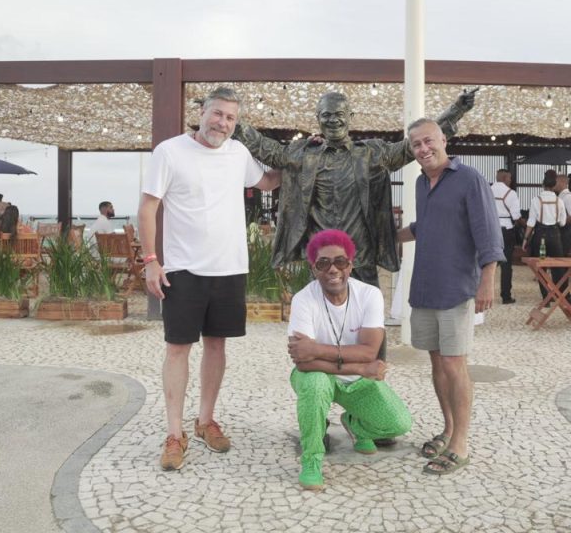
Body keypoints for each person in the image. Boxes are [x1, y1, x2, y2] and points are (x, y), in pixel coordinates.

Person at [139, 87, 281, 472]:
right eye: (217, 114)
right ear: (202, 111)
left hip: (229, 267)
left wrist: (300, 157)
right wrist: (151, 261)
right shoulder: (170, 151)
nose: (222, 123)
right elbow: (148, 207)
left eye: (230, 118)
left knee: (217, 346)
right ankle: (174, 433)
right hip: (183, 269)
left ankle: (205, 421)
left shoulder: (238, 153)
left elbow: (268, 182)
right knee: (177, 348)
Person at [233, 89, 477, 288]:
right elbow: (267, 149)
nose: (333, 120)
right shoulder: (304, 155)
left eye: (339, 114)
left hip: (361, 258)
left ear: (350, 116)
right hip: (321, 259)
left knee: (367, 323)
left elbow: (409, 146)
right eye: (326, 115)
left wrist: (455, 111)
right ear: (318, 118)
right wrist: (230, 120)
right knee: (321, 323)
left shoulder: (371, 154)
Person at [396, 118, 503, 476]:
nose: (423, 149)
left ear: (444, 139)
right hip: (425, 286)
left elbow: (488, 232)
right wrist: (387, 236)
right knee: (437, 363)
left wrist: (487, 280)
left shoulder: (469, 179)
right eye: (416, 145)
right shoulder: (420, 183)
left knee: (455, 364)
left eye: (428, 141)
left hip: (456, 287)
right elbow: (424, 227)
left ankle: (461, 444)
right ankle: (448, 429)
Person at [287, 229, 412, 491]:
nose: (333, 269)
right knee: (315, 383)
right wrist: (362, 368)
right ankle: (312, 459)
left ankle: (355, 424)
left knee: (398, 423)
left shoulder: (369, 295)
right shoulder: (303, 300)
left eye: (340, 262)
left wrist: (317, 349)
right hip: (319, 374)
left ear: (350, 265)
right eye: (323, 263)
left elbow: (369, 352)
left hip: (356, 379)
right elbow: (303, 362)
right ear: (313, 269)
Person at [522, 170, 565, 301]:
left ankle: (546, 297)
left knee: (541, 267)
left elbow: (531, 222)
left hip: (540, 236)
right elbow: (562, 223)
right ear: (555, 184)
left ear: (543, 184)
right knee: (558, 267)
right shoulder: (559, 201)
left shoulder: (536, 200)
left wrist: (525, 239)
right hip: (555, 236)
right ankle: (557, 294)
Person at [491, 169, 522, 304]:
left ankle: (476, 290)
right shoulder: (511, 193)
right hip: (506, 230)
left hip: (490, 229)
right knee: (506, 264)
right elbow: (516, 216)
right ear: (504, 178)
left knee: (487, 261)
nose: (510, 180)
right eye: (509, 178)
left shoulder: (487, 190)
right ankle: (506, 296)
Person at [555, 173, 571, 256]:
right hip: (560, 231)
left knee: (559, 257)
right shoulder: (560, 196)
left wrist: (557, 221)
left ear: (562, 182)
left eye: (555, 182)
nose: (554, 184)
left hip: (566, 233)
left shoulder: (569, 197)